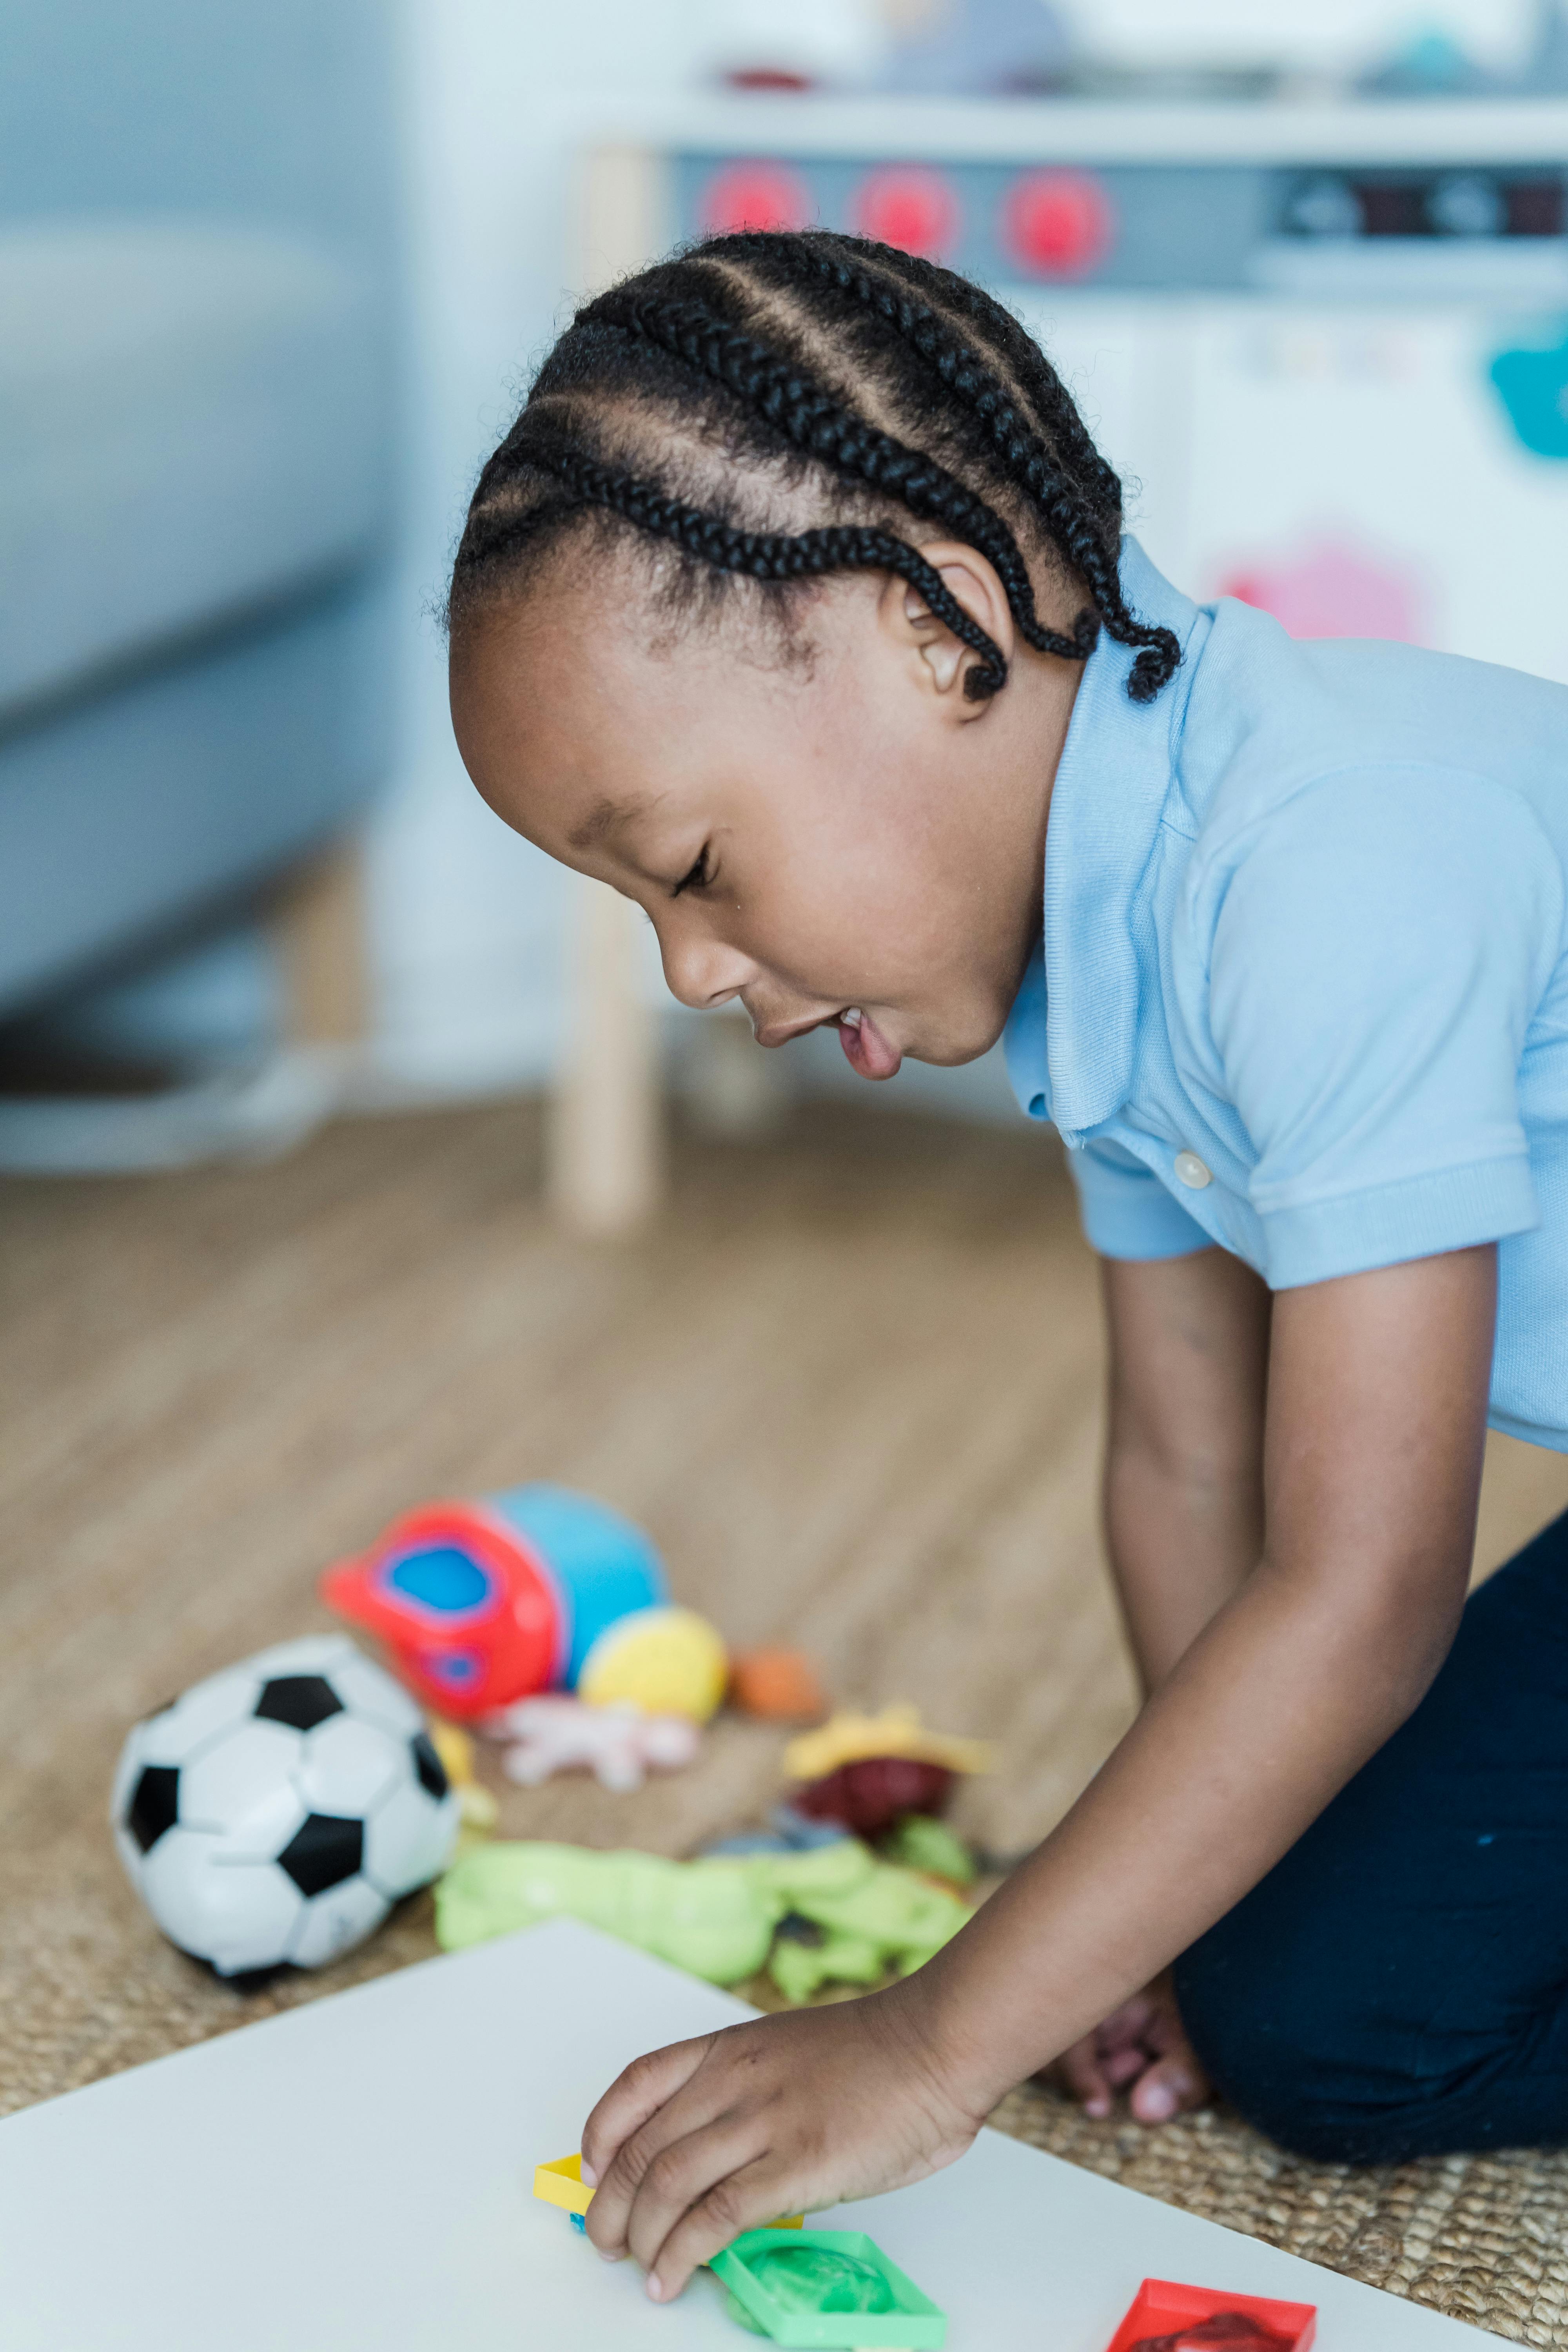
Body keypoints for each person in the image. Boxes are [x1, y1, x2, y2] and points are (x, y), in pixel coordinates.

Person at [445, 227, 1568, 2303]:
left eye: (694, 868)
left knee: (1347, 2030)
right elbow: (1186, 1463)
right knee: (1298, 1967)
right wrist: (1178, 1913)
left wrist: (930, 2042)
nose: (696, 971)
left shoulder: (1323, 870)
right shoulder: (1107, 930)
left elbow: (1364, 1585)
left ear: (933, 626)